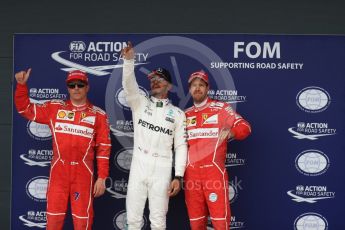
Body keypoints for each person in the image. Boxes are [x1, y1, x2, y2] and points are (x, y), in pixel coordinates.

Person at [14, 68, 111, 230]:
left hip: (83, 174)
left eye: (80, 84)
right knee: (53, 222)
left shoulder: (99, 115)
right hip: (59, 173)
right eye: (72, 85)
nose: (76, 88)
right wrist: (22, 86)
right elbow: (25, 109)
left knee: (83, 223)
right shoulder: (55, 108)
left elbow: (104, 148)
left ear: (87, 87)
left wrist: (102, 177)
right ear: (67, 88)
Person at [121, 42, 187, 230]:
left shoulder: (178, 114)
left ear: (169, 85)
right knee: (133, 220)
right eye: (152, 79)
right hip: (139, 164)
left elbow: (181, 146)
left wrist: (179, 176)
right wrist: (128, 61)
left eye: (159, 79)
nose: (155, 82)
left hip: (163, 168)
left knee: (158, 222)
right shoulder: (139, 103)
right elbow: (128, 85)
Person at [184, 71, 251, 230]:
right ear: (190, 89)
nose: (198, 88)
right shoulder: (185, 114)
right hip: (191, 176)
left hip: (214, 173)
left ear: (207, 88)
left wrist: (232, 132)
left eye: (201, 85)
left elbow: (245, 127)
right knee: (196, 224)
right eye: (194, 85)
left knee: (220, 223)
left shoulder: (221, 109)